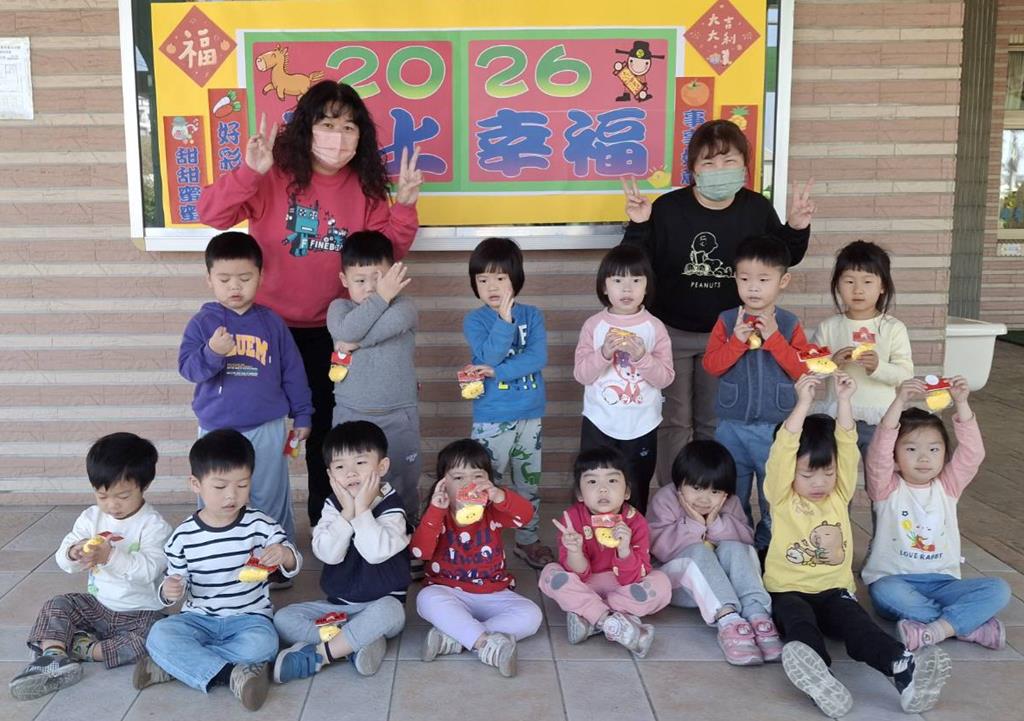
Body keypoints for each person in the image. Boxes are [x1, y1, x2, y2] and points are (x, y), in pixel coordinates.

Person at [199, 81, 424, 526]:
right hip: (264, 327)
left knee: (326, 434)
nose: (337, 137)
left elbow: (383, 255)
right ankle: (243, 530)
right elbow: (211, 214)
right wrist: (249, 173)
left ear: (360, 136)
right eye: (327, 124)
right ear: (306, 127)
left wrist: (404, 206)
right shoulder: (273, 173)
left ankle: (328, 525)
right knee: (255, 430)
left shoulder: (365, 187)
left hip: (334, 331)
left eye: (348, 127)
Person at [620, 118, 815, 490]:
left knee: (714, 421)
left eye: (729, 161)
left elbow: (780, 258)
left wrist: (795, 227)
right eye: (708, 162)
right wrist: (640, 224)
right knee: (674, 421)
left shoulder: (755, 209)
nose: (719, 169)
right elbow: (635, 261)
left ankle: (710, 495)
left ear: (744, 166)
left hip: (729, 334)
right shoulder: (669, 208)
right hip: (671, 330)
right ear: (693, 169)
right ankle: (676, 497)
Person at [765, 373, 951, 718]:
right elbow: (783, 450)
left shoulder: (839, 493)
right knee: (800, 626)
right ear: (791, 473)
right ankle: (821, 678)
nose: (820, 482)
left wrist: (844, 401)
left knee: (859, 627)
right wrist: (804, 403)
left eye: (828, 473)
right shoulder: (781, 497)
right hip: (787, 590)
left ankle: (904, 670)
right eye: (808, 474)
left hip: (835, 589)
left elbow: (848, 446)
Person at [133, 430, 301, 711]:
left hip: (249, 618)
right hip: (198, 619)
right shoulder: (183, 537)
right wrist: (169, 589)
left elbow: (292, 563)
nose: (231, 496)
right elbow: (176, 581)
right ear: (196, 484)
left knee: (265, 644)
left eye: (242, 485)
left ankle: (175, 666)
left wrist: (285, 555)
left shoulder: (261, 525)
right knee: (159, 634)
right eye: (220, 487)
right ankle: (231, 674)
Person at [8, 434, 171, 701]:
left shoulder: (154, 526)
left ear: (145, 485)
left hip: (140, 612)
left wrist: (110, 556)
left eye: (123, 496)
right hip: (97, 606)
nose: (112, 505)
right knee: (57, 604)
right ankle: (53, 656)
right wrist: (74, 552)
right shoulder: (91, 518)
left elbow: (149, 570)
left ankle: (84, 649)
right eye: (102, 495)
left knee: (158, 637)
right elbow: (64, 560)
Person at [178, 231, 312, 547]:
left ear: (261, 277)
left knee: (269, 494)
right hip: (216, 428)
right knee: (217, 496)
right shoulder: (202, 322)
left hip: (266, 427)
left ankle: (278, 554)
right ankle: (215, 553)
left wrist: (303, 415)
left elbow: (293, 372)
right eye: (224, 279)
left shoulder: (272, 323)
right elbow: (188, 369)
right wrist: (212, 352)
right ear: (209, 280)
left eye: (245, 278)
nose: (234, 287)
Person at [862, 377, 1009, 651]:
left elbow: (973, 454)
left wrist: (962, 403)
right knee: (885, 592)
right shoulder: (886, 488)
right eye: (911, 449)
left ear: (944, 454)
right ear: (894, 458)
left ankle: (933, 629)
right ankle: (967, 626)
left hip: (944, 583)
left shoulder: (948, 487)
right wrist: (899, 401)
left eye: (934, 449)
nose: (924, 458)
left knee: (999, 589)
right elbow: (878, 454)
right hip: (896, 581)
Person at [272, 421, 409, 683]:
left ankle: (320, 655)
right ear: (330, 475)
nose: (350, 473)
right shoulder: (333, 506)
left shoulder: (393, 507)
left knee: (391, 611)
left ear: (382, 467)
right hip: (339, 608)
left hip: (382, 605)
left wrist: (362, 509)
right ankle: (354, 643)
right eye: (340, 467)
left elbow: (375, 553)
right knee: (284, 618)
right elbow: (328, 554)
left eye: (360, 463)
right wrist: (346, 513)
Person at [702, 235, 810, 551]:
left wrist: (775, 337)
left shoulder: (789, 323)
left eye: (763, 280)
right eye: (745, 278)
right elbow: (712, 366)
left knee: (773, 489)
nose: (753, 288)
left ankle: (770, 546)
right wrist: (735, 341)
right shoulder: (726, 320)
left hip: (775, 427)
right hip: (731, 424)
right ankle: (736, 542)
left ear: (782, 281)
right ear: (735, 278)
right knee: (731, 491)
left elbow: (801, 369)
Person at [411, 439, 543, 677]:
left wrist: (500, 496)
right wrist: (436, 511)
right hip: (448, 589)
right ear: (443, 484)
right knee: (426, 599)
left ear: (489, 481)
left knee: (532, 615)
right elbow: (420, 551)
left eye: (478, 477)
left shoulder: (493, 510)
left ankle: (454, 637)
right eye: (458, 477)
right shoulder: (438, 513)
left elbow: (525, 517)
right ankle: (484, 644)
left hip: (493, 591)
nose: (468, 484)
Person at [463, 237, 554, 568]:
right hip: (492, 417)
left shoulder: (532, 315)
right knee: (484, 482)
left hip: (530, 414)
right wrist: (503, 321)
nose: (492, 286)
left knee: (527, 482)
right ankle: (480, 541)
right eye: (483, 279)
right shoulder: (475, 321)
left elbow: (537, 358)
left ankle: (527, 540)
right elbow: (488, 355)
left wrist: (498, 372)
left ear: (516, 278)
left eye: (500, 278)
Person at [648, 440, 782, 665]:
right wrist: (695, 524)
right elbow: (658, 547)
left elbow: (746, 539)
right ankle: (728, 620)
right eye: (696, 488)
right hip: (681, 586)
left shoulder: (730, 502)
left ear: (725, 492)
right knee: (698, 551)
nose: (704, 498)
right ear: (680, 482)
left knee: (737, 547)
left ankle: (757, 614)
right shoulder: (666, 499)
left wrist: (715, 523)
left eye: (715, 491)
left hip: (726, 585)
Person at [539, 447, 671, 658]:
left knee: (662, 584)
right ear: (580, 494)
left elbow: (634, 578)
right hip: (586, 583)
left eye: (612, 480)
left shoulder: (636, 521)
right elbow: (577, 574)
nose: (602, 489)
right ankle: (610, 620)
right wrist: (574, 551)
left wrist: (625, 550)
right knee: (550, 574)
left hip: (622, 587)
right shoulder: (571, 519)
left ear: (626, 492)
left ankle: (591, 618)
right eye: (592, 481)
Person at [326, 230, 420, 522]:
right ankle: (354, 533)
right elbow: (347, 330)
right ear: (344, 280)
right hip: (351, 414)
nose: (369, 288)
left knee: (403, 478)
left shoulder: (405, 307)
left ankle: (407, 532)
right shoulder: (338, 309)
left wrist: (355, 343)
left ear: (392, 274)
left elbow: (360, 334)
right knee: (352, 481)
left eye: (378, 278)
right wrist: (381, 296)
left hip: (398, 413)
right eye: (360, 280)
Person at [574, 244, 674, 513]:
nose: (627, 289)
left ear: (647, 286)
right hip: (599, 422)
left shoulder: (654, 327)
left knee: (636, 486)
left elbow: (665, 378)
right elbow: (582, 374)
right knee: (594, 483)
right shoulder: (594, 326)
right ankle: (591, 534)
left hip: (642, 424)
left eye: (636, 280)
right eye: (618, 280)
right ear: (604, 287)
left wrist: (642, 356)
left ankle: (634, 535)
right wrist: (604, 353)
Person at [812, 240, 913, 458]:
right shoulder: (828, 327)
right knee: (837, 474)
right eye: (849, 281)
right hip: (837, 416)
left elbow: (905, 375)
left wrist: (877, 367)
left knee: (878, 473)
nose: (858, 290)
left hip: (879, 418)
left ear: (883, 286)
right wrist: (832, 363)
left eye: (867, 281)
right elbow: (810, 371)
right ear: (837, 285)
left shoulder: (893, 328)